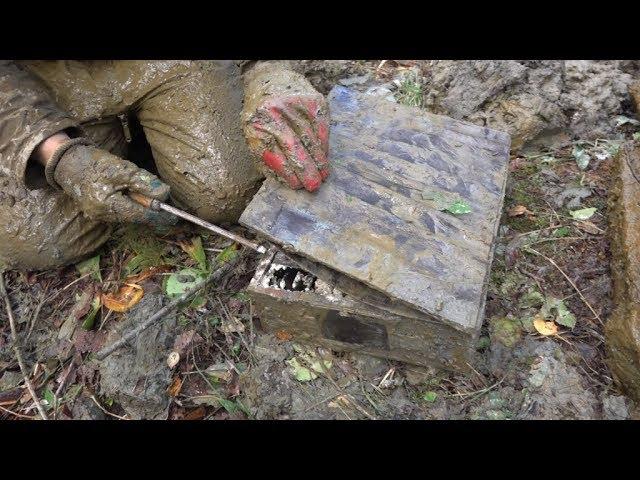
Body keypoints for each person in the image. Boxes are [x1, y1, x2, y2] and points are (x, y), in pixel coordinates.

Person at [0, 60, 330, 270]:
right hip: (41, 80)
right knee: (42, 240)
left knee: (225, 193)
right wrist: (62, 158)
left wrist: (270, 73)